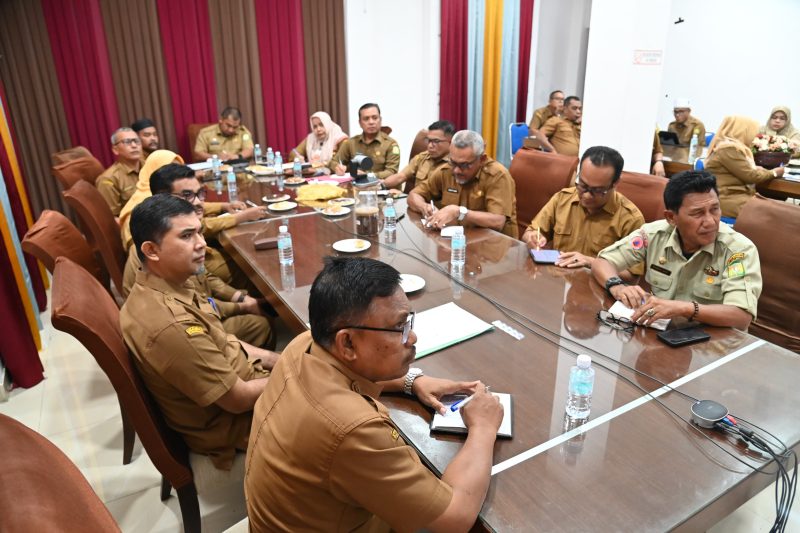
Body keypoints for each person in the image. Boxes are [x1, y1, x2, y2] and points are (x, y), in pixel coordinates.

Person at [244, 256, 503, 531]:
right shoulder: (352, 429)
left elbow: (351, 374)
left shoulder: (305, 345)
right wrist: (483, 427)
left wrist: (412, 381)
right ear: (347, 342)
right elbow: (455, 518)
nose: (412, 338)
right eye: (399, 327)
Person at [121, 194, 280, 470]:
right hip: (237, 422)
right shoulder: (171, 325)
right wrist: (294, 371)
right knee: (343, 394)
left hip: (242, 381)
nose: (202, 244)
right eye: (186, 236)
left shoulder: (171, 280)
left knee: (316, 354)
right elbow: (238, 399)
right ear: (151, 250)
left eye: (199, 232)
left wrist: (276, 360)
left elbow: (224, 338)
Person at [121, 163, 273, 348]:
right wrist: (242, 305)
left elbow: (204, 280)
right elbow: (201, 308)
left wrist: (242, 300)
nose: (199, 202)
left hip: (202, 310)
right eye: (187, 195)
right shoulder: (161, 249)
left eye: (200, 193)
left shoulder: (177, 238)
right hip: (194, 326)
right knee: (259, 323)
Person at [593, 170, 762, 331]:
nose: (710, 221)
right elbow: (603, 261)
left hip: (713, 343)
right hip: (660, 334)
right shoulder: (653, 235)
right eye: (698, 213)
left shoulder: (738, 250)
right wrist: (617, 287)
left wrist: (683, 309)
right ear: (671, 218)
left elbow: (741, 316)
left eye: (714, 209)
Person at [522, 146, 645, 270]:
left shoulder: (631, 219)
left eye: (597, 190)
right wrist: (532, 238)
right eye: (583, 185)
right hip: (559, 280)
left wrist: (590, 262)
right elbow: (530, 232)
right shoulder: (562, 199)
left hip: (597, 285)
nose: (586, 195)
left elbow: (631, 275)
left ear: (615, 183)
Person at [407, 129, 519, 238]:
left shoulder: (498, 176)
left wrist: (459, 212)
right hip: (458, 241)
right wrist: (424, 207)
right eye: (453, 162)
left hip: (495, 247)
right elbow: (414, 195)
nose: (456, 170)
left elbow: (497, 222)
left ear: (482, 159)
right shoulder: (446, 170)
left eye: (464, 165)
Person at [703, 115, 783, 218]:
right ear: (743, 131)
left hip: (736, 197)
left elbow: (742, 170)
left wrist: (755, 169)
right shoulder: (729, 149)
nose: (754, 136)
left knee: (778, 210)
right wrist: (774, 172)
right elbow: (751, 176)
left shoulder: (729, 146)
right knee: (778, 215)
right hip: (729, 200)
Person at [119, 149, 184, 250]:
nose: (179, 177)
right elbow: (139, 252)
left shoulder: (165, 194)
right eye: (171, 171)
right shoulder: (142, 206)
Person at [330, 103, 400, 179]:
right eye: (366, 119)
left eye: (375, 118)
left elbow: (391, 172)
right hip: (356, 186)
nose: (371, 122)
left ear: (380, 120)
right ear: (360, 123)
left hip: (382, 188)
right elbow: (333, 162)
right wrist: (337, 167)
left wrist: (368, 176)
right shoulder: (351, 143)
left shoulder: (390, 144)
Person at [381, 119, 455, 190]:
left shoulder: (456, 164)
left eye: (436, 141)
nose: (430, 146)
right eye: (429, 140)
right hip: (416, 200)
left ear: (450, 142)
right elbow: (400, 176)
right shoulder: (422, 158)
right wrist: (381, 184)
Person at [95, 127, 142, 217]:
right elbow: (112, 218)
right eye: (127, 142)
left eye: (137, 141)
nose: (134, 145)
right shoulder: (108, 179)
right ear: (115, 150)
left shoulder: (150, 165)